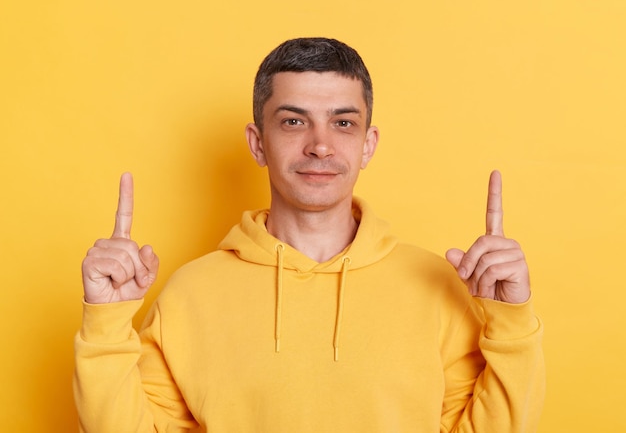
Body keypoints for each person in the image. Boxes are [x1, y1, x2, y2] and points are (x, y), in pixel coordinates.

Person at [74, 37, 544, 432]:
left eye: (343, 123)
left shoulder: (436, 285)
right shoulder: (189, 295)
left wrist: (511, 323)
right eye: (293, 121)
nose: (320, 145)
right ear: (258, 143)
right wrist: (106, 324)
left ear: (367, 145)